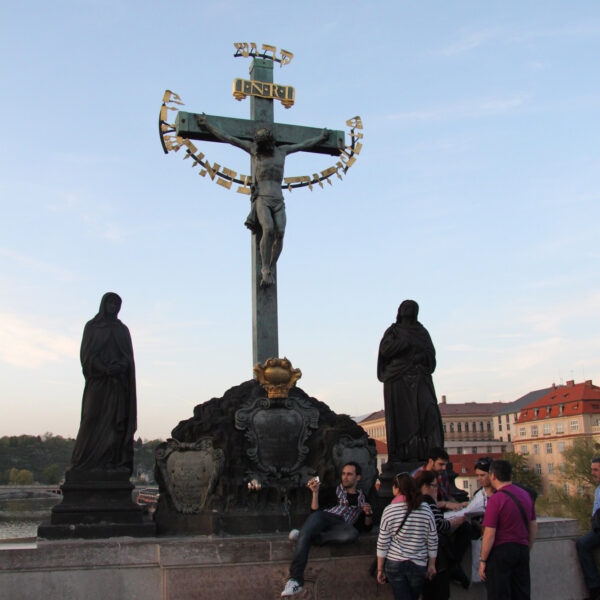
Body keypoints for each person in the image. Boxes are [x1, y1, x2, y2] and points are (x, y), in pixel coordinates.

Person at [198, 114, 329, 286]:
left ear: (270, 142)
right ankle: (265, 269)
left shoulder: (282, 151)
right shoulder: (255, 151)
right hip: (262, 199)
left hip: (278, 199)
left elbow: (304, 144)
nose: (261, 147)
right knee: (268, 229)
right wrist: (208, 126)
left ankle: (270, 267)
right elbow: (229, 138)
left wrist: (321, 138)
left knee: (280, 233)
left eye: (263, 144)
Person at [281, 462, 373, 597]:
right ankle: (295, 580)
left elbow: (366, 527)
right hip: (326, 517)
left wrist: (368, 514)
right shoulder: (333, 490)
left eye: (349, 474)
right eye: (343, 474)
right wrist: (315, 493)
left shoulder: (363, 497)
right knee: (315, 519)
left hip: (343, 526)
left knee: (353, 534)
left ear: (357, 478)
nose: (345, 477)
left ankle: (305, 536)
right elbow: (314, 512)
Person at [70, 292, 137, 473]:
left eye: (117, 304)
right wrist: (104, 368)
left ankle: (111, 462)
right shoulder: (92, 327)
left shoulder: (122, 330)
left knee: (115, 425)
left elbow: (128, 358)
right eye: (111, 303)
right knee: (91, 417)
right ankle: (81, 463)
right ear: (104, 304)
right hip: (98, 382)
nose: (114, 307)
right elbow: (86, 356)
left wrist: (121, 366)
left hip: (117, 385)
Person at [377, 299, 444, 462]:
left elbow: (431, 356)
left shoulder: (422, 332)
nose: (408, 309)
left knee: (429, 411)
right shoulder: (393, 331)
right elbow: (385, 350)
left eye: (411, 307)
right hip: (398, 380)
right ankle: (403, 454)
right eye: (405, 307)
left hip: (419, 377)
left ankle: (433, 455)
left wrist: (422, 357)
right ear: (400, 311)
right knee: (401, 419)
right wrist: (405, 344)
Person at [479, 459, 537, 600]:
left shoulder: (496, 499)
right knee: (521, 594)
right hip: (521, 549)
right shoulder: (526, 495)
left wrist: (483, 560)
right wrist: (526, 547)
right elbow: (533, 525)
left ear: (493, 476)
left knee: (499, 594)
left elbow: (489, 534)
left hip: (501, 553)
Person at [377, 472, 437, 599]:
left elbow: (383, 542)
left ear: (396, 488)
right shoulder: (425, 508)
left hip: (395, 562)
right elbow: (432, 539)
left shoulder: (389, 510)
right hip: (418, 563)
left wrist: (380, 568)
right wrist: (432, 564)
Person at [415, 470, 466, 600]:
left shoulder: (414, 501)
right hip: (435, 556)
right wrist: (453, 523)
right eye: (434, 486)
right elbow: (438, 524)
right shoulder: (428, 501)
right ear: (425, 486)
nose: (436, 489)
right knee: (439, 592)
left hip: (418, 555)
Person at [576, 456, 600, 600]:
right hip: (597, 527)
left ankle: (594, 586)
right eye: (592, 470)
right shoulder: (598, 489)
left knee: (582, 545)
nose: (593, 473)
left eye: (596, 470)